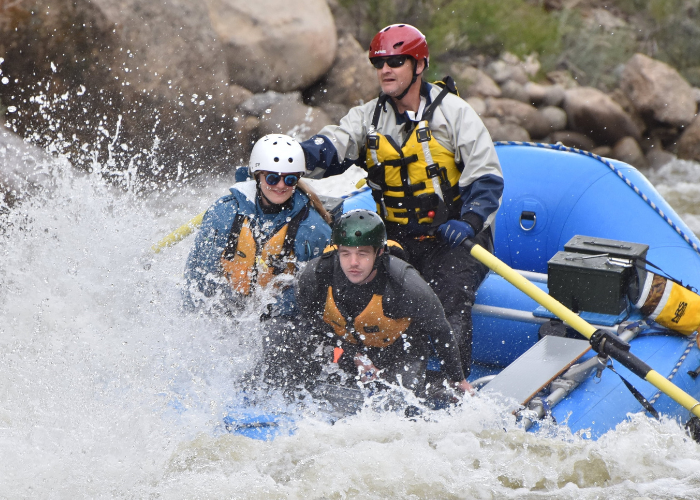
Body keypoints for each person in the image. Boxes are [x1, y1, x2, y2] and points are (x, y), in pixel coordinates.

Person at [300, 23, 503, 376]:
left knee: (449, 296)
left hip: (455, 236)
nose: (385, 70)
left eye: (395, 61)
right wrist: (292, 158)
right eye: (379, 63)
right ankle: (371, 371)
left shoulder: (454, 114)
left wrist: (468, 223)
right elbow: (334, 144)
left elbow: (486, 178)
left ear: (419, 65)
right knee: (366, 286)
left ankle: (452, 383)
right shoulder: (368, 118)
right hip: (398, 236)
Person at [287, 209, 472, 399]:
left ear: (379, 252)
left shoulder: (405, 283)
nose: (353, 263)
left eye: (363, 254)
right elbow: (313, 322)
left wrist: (457, 379)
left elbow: (440, 329)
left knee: (400, 398)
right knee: (298, 352)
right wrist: (356, 356)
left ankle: (431, 385)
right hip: (346, 347)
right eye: (345, 253)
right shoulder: (315, 276)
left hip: (398, 351)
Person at [183, 134, 332, 318]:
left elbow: (320, 296)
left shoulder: (313, 229)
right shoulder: (224, 213)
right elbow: (197, 275)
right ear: (258, 176)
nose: (280, 186)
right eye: (272, 178)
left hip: (280, 322)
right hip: (225, 311)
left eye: (290, 179)